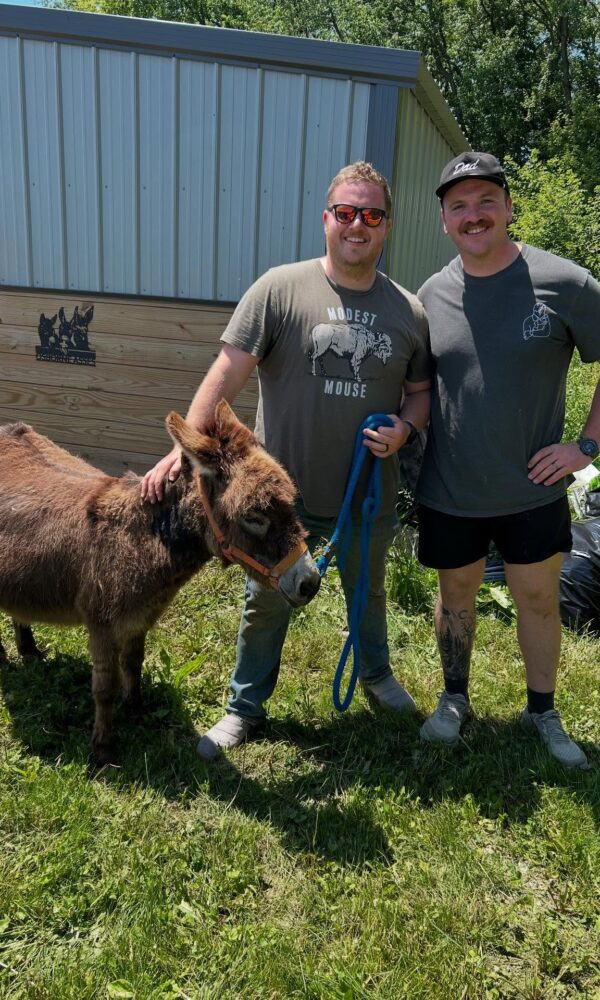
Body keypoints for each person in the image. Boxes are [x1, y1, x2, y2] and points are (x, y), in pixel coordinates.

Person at [142, 161, 431, 760]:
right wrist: (183, 450)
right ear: (326, 219)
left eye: (371, 215)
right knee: (265, 603)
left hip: (365, 492)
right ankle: (244, 706)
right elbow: (225, 373)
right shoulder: (279, 289)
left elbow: (421, 392)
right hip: (281, 505)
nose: (358, 225)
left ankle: (374, 673)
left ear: (387, 227)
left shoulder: (409, 311)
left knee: (367, 592)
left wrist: (405, 426)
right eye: (346, 213)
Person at [416, 150, 600, 768]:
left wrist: (586, 446)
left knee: (539, 599)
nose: (474, 215)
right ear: (444, 219)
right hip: (451, 490)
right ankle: (454, 698)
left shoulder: (566, 284)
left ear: (508, 206)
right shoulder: (430, 296)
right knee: (456, 594)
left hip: (534, 491)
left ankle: (543, 710)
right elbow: (415, 388)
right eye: (459, 205)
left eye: (485, 201)